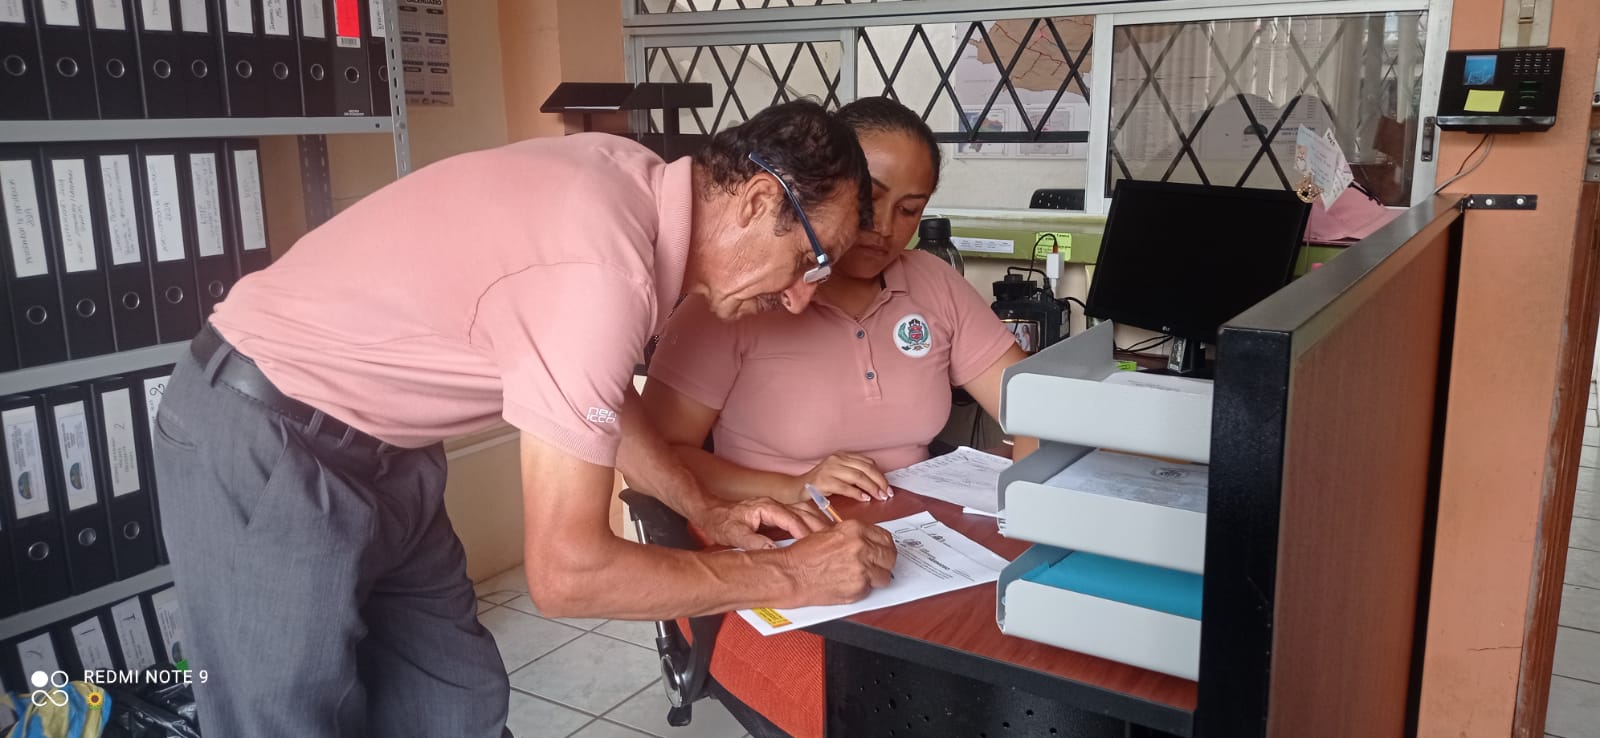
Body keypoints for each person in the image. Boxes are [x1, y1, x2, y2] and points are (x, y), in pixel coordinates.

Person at [150, 100, 899, 738]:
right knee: (284, 717)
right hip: (268, 436)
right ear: (760, 201)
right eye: (811, 260)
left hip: (392, 454)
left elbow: (603, 392)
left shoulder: (632, 183)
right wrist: (787, 574)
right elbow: (569, 572)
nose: (801, 297)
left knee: (456, 704)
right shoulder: (603, 269)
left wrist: (703, 505)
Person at [641, 96, 1035, 737]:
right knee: (891, 699)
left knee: (1021, 659)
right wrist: (794, 485)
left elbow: (1032, 406)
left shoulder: (933, 285)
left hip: (924, 552)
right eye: (869, 200)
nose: (885, 228)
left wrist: (1044, 501)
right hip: (777, 551)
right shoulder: (739, 296)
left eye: (910, 209)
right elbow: (659, 456)